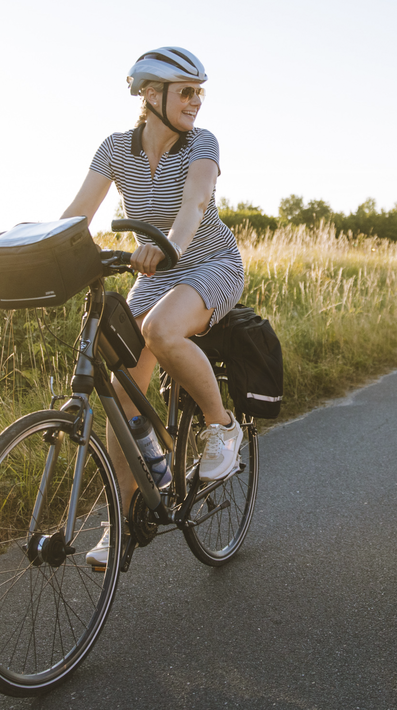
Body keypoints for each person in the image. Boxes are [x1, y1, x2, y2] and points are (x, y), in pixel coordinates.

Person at [61, 47, 245, 565]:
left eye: (199, 92)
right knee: (121, 391)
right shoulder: (115, 149)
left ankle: (221, 427)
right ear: (150, 94)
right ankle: (121, 519)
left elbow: (195, 203)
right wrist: (44, 253)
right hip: (155, 273)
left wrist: (168, 247)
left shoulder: (201, 143)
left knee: (161, 331)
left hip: (210, 264)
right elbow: (77, 214)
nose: (196, 102)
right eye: (186, 92)